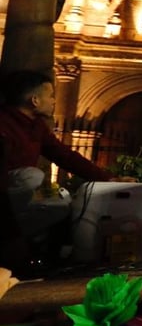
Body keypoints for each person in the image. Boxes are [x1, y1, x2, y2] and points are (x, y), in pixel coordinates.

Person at [0, 70, 131, 275]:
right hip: (7, 192)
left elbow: (65, 156)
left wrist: (109, 179)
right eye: (51, 95)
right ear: (34, 100)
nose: (54, 101)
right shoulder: (4, 124)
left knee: (63, 199)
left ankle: (38, 250)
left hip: (28, 193)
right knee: (31, 176)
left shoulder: (37, 127)